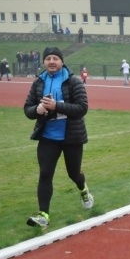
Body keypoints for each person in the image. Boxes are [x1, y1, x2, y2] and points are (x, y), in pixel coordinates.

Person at [23, 47, 94, 229]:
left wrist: (57, 106)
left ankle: (83, 189)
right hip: (48, 137)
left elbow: (82, 108)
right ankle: (43, 214)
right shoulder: (39, 82)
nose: (52, 61)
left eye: (55, 58)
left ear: (62, 61)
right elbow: (27, 109)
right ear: (44, 62)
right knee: (45, 174)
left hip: (71, 137)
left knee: (74, 173)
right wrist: (37, 110)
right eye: (48, 58)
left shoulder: (73, 81)